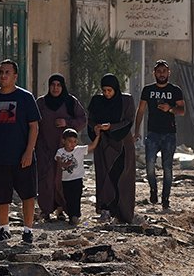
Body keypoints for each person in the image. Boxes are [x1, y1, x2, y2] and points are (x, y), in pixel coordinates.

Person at [0, 59, 40, 244]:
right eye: (1, 71)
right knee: (1, 195)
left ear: (15, 76)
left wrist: (29, 151)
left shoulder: (25, 97)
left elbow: (34, 127)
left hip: (23, 157)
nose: (3, 75)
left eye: (7, 72)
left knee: (28, 194)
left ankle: (27, 230)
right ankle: (4, 229)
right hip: (0, 157)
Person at [36, 74, 87, 222]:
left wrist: (67, 122)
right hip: (45, 148)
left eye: (59, 85)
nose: (55, 88)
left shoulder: (70, 102)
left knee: (64, 180)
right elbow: (32, 122)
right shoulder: (41, 103)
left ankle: (62, 209)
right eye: (53, 85)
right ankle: (46, 210)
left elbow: (82, 119)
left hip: (65, 150)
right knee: (46, 180)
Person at [135, 60, 185, 208]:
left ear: (169, 73)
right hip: (152, 133)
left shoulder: (175, 90)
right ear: (154, 73)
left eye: (164, 71)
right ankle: (153, 190)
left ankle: (165, 199)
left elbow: (182, 111)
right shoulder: (148, 90)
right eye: (159, 71)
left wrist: (169, 109)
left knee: (167, 167)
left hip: (169, 134)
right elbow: (141, 111)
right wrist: (136, 130)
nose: (162, 74)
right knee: (149, 166)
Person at [88, 74, 136, 223]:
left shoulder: (126, 100)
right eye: (104, 90)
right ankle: (105, 210)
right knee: (104, 176)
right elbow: (90, 120)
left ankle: (122, 213)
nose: (107, 94)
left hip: (121, 145)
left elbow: (129, 120)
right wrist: (96, 128)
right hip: (103, 144)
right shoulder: (97, 101)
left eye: (110, 90)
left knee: (121, 177)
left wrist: (112, 127)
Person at [56, 127, 99, 225]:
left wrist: (98, 136)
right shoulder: (60, 152)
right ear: (64, 141)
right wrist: (65, 164)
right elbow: (59, 163)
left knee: (76, 198)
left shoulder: (79, 150)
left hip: (77, 179)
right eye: (70, 141)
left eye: (75, 141)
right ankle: (70, 215)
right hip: (65, 180)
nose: (72, 144)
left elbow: (92, 146)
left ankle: (75, 216)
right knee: (68, 198)